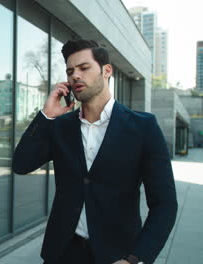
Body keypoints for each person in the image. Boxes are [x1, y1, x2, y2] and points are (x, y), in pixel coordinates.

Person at [12, 39, 177, 264]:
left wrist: (135, 259)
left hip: (117, 255)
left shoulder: (143, 127)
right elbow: (21, 164)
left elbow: (164, 204)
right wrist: (46, 116)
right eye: (70, 71)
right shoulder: (60, 126)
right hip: (62, 253)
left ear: (106, 70)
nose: (75, 76)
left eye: (84, 68)